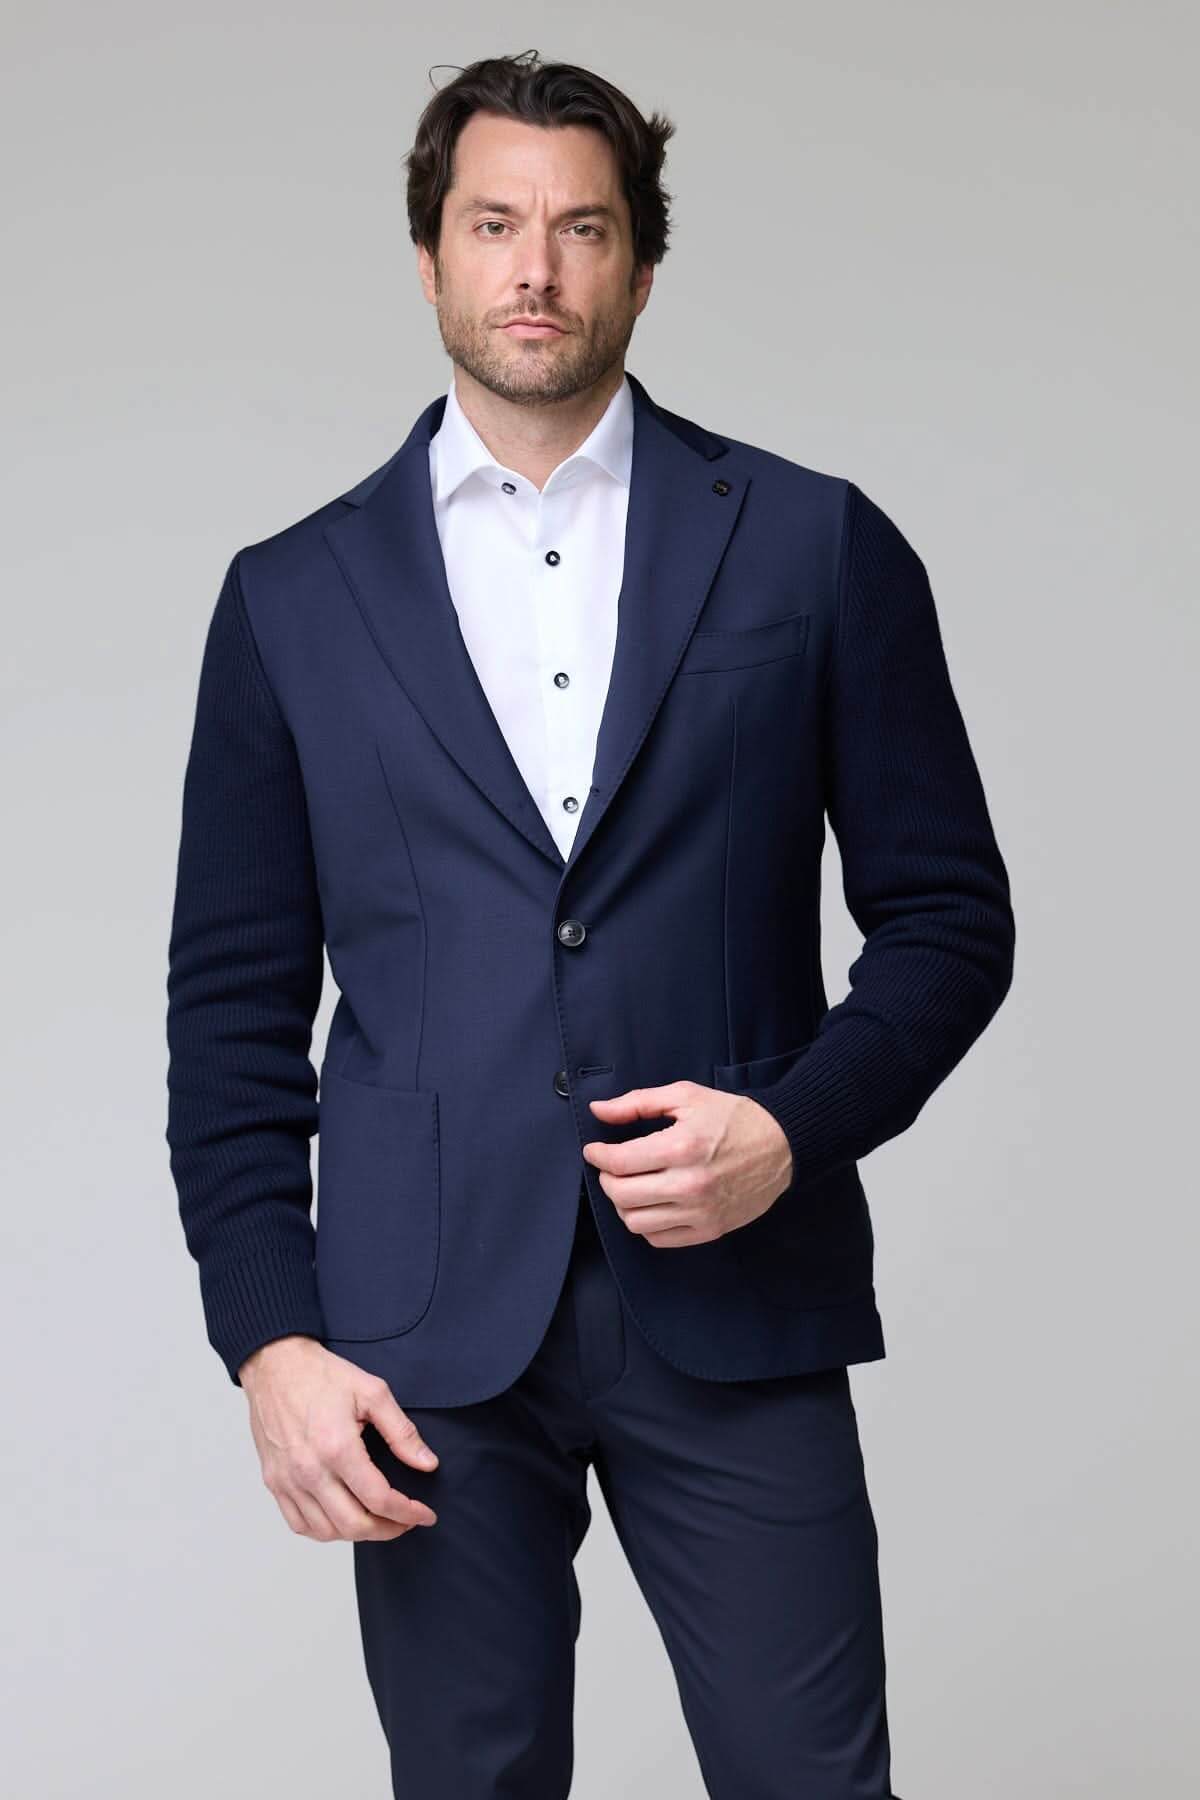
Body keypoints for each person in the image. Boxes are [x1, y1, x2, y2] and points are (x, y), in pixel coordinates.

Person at [165, 48, 1015, 1799]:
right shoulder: (291, 600)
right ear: (429, 259)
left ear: (641, 260)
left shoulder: (815, 546)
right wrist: (269, 1340)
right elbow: (230, 1019)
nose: (536, 268)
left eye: (582, 227)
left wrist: (791, 1128)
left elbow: (950, 921)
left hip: (737, 1286)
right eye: (494, 225)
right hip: (421, 1337)